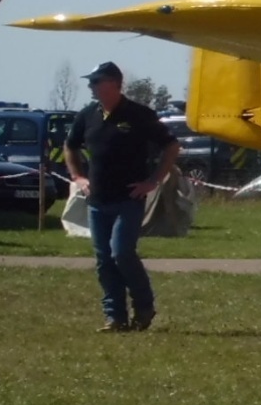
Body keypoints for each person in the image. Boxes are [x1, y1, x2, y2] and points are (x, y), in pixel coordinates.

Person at [64, 62, 178, 331]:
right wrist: (78, 177)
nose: (91, 86)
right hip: (98, 200)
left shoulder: (138, 114)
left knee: (122, 253)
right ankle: (115, 317)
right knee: (104, 259)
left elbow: (171, 146)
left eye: (96, 81)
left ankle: (144, 307)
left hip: (129, 198)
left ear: (114, 83)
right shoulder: (87, 115)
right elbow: (70, 146)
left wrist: (153, 180)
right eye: (90, 82)